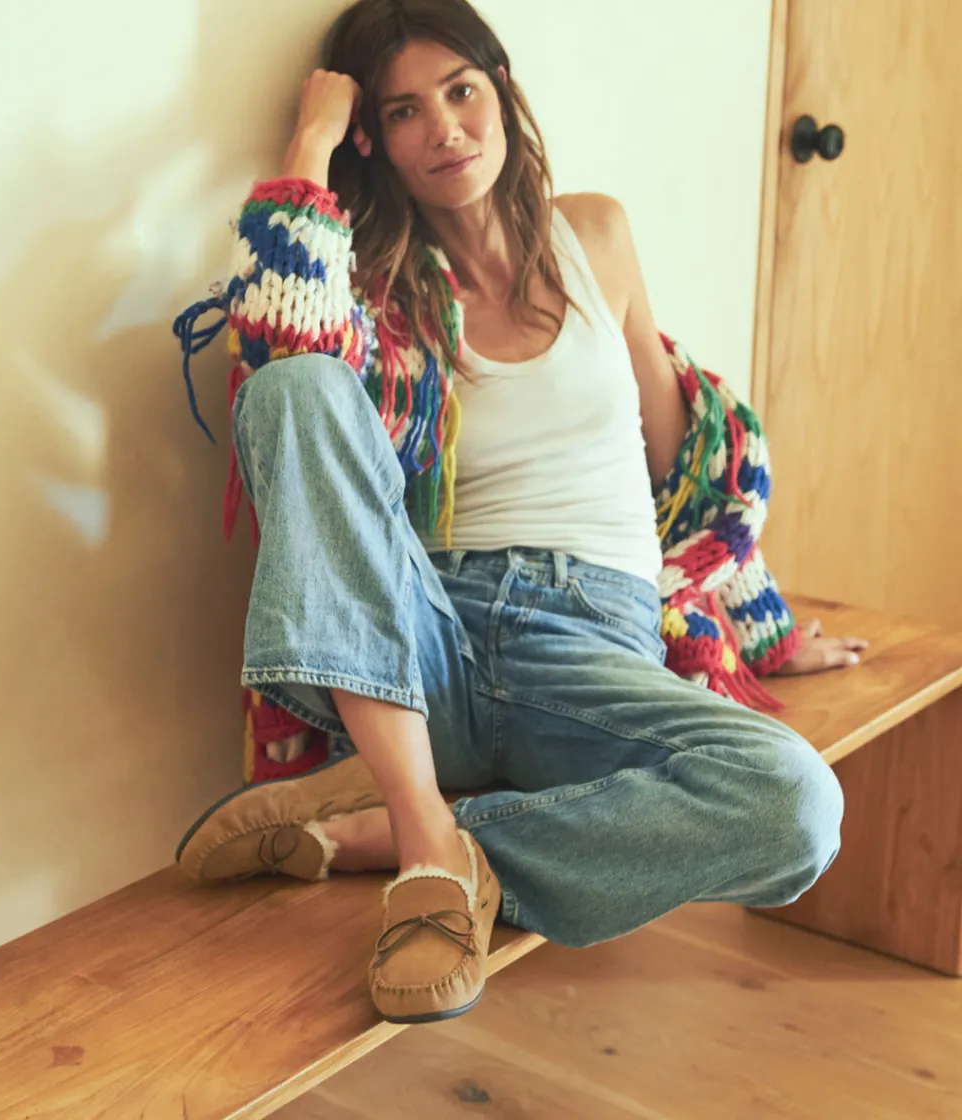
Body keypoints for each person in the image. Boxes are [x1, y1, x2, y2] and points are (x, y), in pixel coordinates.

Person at [171, 0, 865, 1026]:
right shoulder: (372, 285)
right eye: (403, 111)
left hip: (588, 646)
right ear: (374, 140)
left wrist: (762, 627)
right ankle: (424, 837)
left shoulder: (597, 236)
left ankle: (408, 834)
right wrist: (310, 144)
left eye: (460, 91)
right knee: (296, 387)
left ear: (501, 88)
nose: (445, 129)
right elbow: (281, 362)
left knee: (794, 805)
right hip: (422, 640)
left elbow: (684, 469)